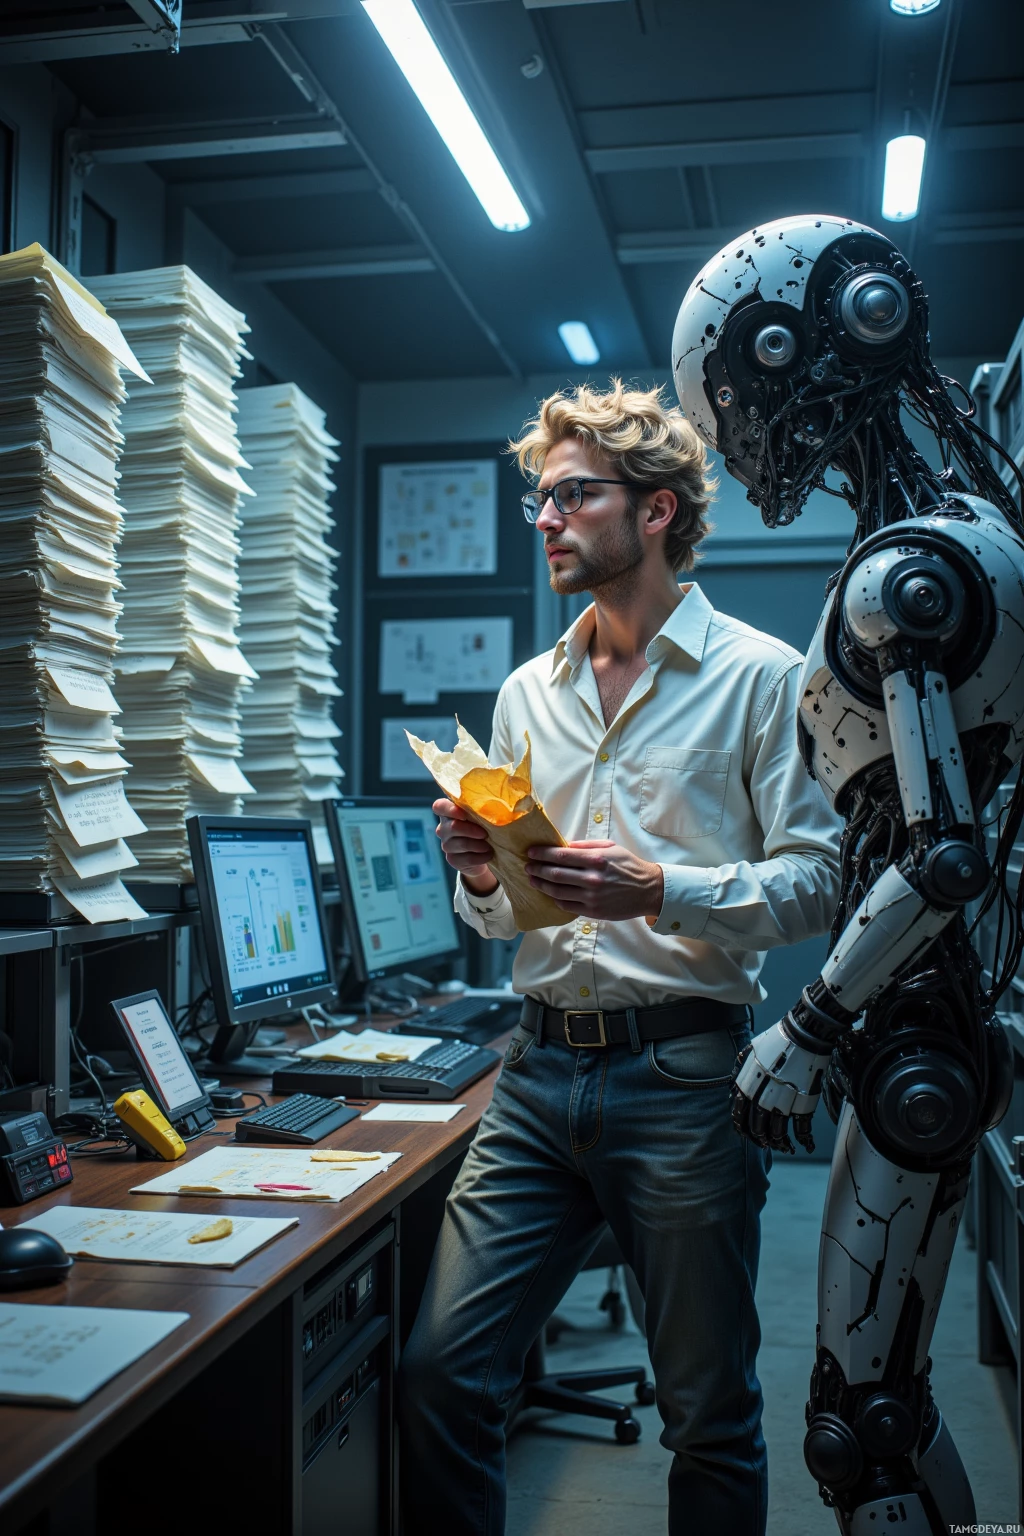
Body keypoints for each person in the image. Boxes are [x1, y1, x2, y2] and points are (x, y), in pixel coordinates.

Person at [397, 379, 841, 1536]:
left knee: (709, 1413)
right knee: (441, 1372)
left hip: (686, 1083)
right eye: (539, 500)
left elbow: (820, 880)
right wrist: (487, 876)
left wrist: (666, 888)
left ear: (654, 512)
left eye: (572, 497)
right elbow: (512, 919)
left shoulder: (761, 675)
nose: (544, 520)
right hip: (536, 1078)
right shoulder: (522, 695)